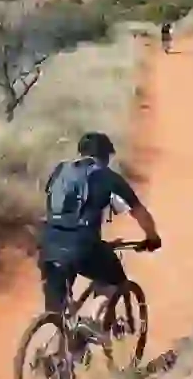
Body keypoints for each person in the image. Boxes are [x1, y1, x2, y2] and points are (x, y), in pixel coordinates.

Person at [38, 132, 162, 339]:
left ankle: (54, 351)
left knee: (57, 310)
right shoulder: (108, 177)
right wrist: (152, 237)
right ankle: (92, 326)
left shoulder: (60, 171)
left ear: (80, 153)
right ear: (105, 157)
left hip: (48, 244)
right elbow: (139, 212)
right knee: (114, 281)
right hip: (83, 247)